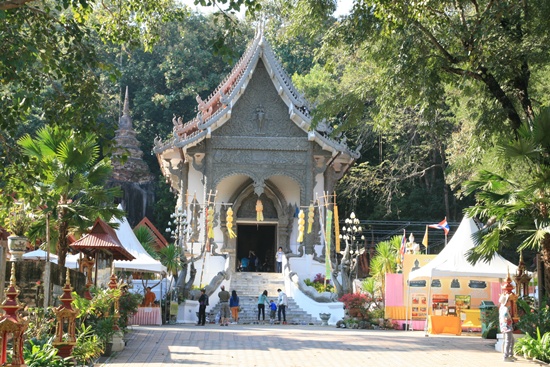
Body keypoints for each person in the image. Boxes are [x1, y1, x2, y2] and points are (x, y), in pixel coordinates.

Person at [499, 293, 515, 362]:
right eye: (508, 300)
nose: (509, 302)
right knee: (508, 341)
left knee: (511, 340)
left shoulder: (502, 308)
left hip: (505, 326)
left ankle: (510, 355)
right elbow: (505, 317)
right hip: (507, 327)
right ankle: (506, 356)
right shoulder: (505, 308)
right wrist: (508, 320)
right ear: (506, 302)